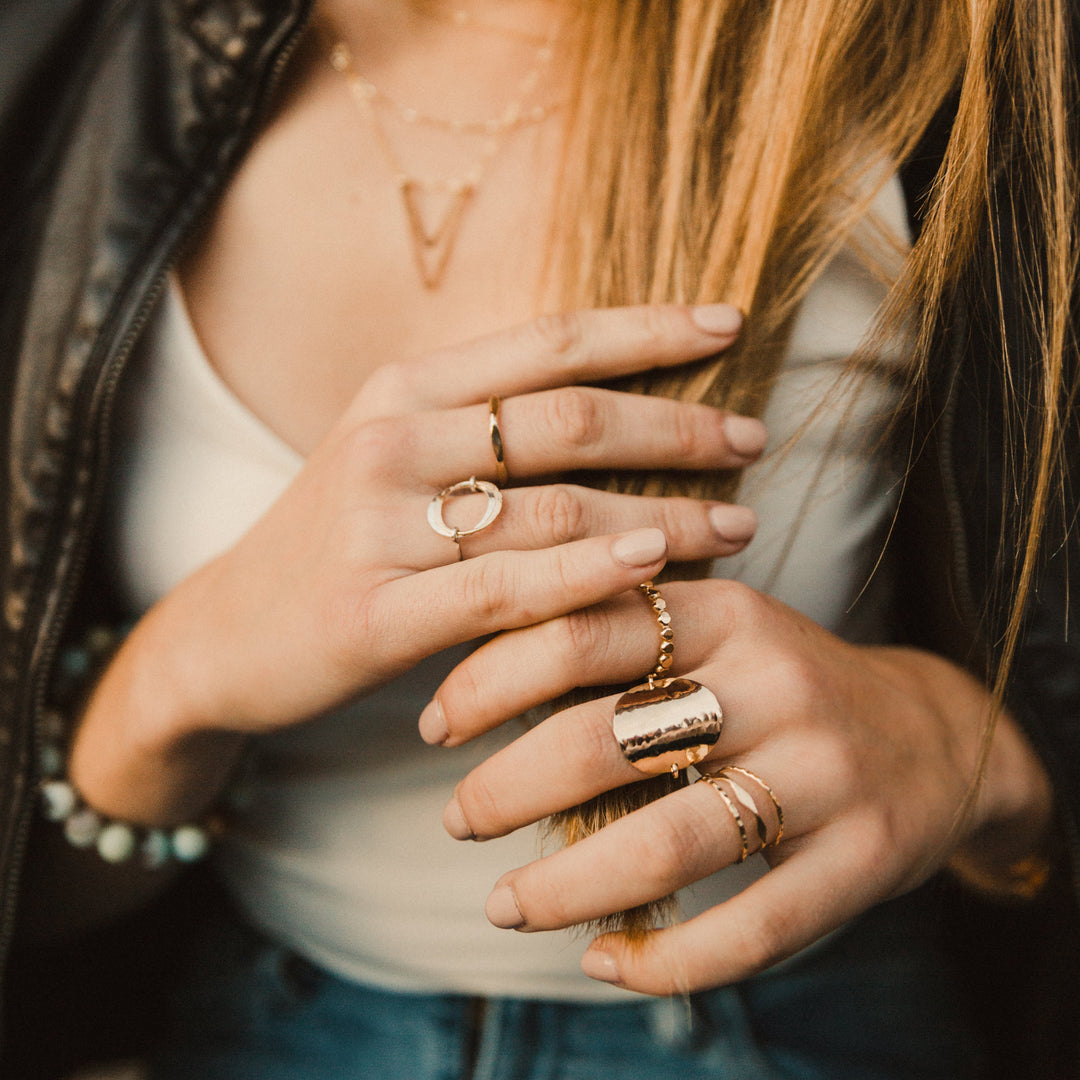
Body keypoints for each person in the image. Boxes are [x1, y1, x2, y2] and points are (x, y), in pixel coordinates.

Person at [1, 1, 1078, 1078]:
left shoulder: (958, 55)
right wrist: (166, 682)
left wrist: (976, 748)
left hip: (805, 1029)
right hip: (246, 1027)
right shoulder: (77, 53)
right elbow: (39, 915)